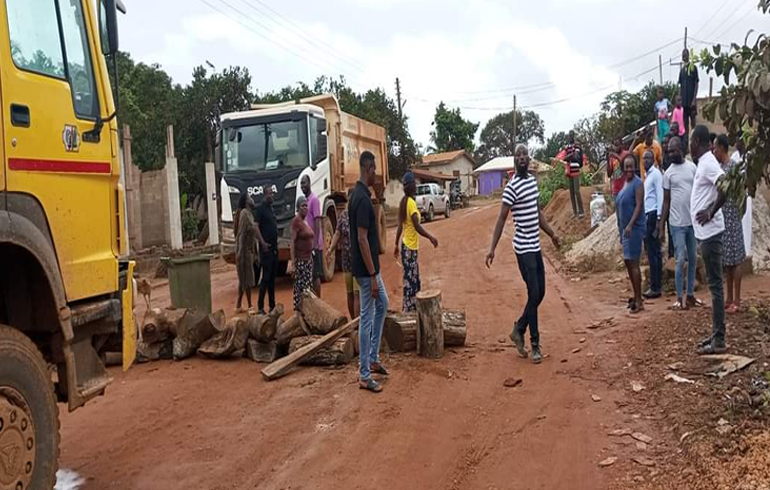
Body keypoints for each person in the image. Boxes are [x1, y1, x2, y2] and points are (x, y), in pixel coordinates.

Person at [486, 144, 561, 364]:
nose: (521, 158)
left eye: (524, 154)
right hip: (523, 249)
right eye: (517, 155)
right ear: (514, 161)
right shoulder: (512, 187)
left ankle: (519, 328)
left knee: (541, 293)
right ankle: (535, 344)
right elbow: (501, 218)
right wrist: (492, 248)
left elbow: (538, 214)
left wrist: (553, 235)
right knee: (533, 292)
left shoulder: (532, 182)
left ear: (528, 159)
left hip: (536, 247)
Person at [350, 151, 389, 393]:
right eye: (375, 169)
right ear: (368, 169)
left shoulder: (360, 195)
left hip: (369, 269)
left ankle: (373, 358)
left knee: (383, 303)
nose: (377, 175)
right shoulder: (362, 199)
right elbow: (362, 239)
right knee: (366, 316)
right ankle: (364, 374)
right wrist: (373, 276)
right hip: (367, 272)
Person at [690, 125, 727, 355]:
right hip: (706, 234)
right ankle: (716, 334)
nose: (690, 146)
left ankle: (720, 340)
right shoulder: (703, 162)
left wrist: (711, 212)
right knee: (714, 286)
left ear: (697, 142)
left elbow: (725, 186)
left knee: (715, 287)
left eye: (691, 141)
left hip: (711, 233)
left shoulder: (709, 162)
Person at [659, 136, 699, 310]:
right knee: (680, 259)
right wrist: (661, 225)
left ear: (681, 149)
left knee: (693, 259)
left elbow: (698, 193)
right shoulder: (668, 174)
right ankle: (679, 298)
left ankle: (690, 295)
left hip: (692, 223)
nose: (670, 154)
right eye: (668, 151)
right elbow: (666, 201)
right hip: (677, 224)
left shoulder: (692, 168)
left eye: (673, 150)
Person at [393, 172, 439, 312]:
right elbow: (417, 226)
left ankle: (409, 309)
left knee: (410, 280)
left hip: (406, 246)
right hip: (410, 248)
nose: (416, 186)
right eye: (415, 184)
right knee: (412, 282)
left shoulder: (404, 202)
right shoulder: (411, 203)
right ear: (412, 186)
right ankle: (411, 312)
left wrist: (396, 244)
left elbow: (400, 226)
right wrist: (431, 237)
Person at [714, 134, 746, 314]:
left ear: (723, 148)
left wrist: (739, 213)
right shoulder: (719, 168)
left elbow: (740, 193)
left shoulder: (733, 168)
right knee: (727, 261)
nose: (714, 151)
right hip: (722, 217)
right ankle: (729, 297)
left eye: (715, 147)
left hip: (733, 216)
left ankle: (737, 300)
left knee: (736, 259)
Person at [616, 154, 646, 314]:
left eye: (631, 166)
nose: (628, 169)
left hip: (634, 229)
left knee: (634, 263)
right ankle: (635, 296)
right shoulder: (624, 184)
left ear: (635, 167)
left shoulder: (637, 184)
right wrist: (620, 228)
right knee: (628, 262)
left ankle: (640, 300)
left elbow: (639, 206)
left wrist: (630, 225)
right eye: (626, 166)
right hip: (625, 230)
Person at [329, 189, 359, 320]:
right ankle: (356, 321)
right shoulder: (352, 216)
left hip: (352, 260)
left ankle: (355, 321)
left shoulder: (348, 216)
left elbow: (337, 234)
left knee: (353, 293)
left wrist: (331, 249)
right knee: (353, 293)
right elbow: (337, 234)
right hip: (352, 261)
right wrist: (330, 249)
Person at [642, 150, 664, 299]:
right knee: (652, 251)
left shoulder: (656, 175)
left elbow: (660, 196)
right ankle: (655, 285)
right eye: (644, 158)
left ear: (654, 159)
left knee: (653, 252)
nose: (645, 161)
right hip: (647, 215)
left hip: (652, 214)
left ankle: (656, 287)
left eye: (648, 158)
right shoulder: (648, 176)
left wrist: (658, 219)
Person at [254, 186, 278, 314]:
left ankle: (272, 305)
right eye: (270, 194)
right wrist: (262, 243)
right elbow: (256, 226)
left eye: (273, 194)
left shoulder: (271, 209)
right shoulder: (260, 209)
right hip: (266, 249)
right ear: (265, 194)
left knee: (272, 279)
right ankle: (260, 306)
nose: (272, 196)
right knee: (266, 278)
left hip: (274, 248)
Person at [289, 195, 315, 312]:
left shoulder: (305, 221)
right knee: (300, 290)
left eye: (306, 205)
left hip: (308, 260)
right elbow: (292, 242)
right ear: (298, 208)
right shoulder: (296, 221)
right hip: (301, 262)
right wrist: (293, 263)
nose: (305, 208)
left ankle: (307, 313)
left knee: (307, 289)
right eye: (302, 206)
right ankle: (299, 314)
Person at [301, 175, 323, 297]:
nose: (302, 186)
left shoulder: (314, 200)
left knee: (316, 274)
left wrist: (315, 243)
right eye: (301, 184)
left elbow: (317, 221)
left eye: (304, 183)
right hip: (308, 245)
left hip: (315, 245)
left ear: (309, 183)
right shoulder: (306, 201)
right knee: (309, 274)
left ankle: (318, 301)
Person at [235, 194, 257, 313]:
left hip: (248, 250)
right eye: (250, 198)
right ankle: (250, 305)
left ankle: (238, 304)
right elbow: (242, 234)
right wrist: (239, 252)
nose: (252, 199)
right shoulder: (244, 213)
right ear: (246, 202)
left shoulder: (250, 214)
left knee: (243, 278)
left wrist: (255, 251)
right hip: (243, 250)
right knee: (247, 278)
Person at [732, 135, 752, 259]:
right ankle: (740, 251)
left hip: (746, 194)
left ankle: (747, 251)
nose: (736, 143)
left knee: (746, 221)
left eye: (738, 140)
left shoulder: (750, 156)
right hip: (736, 194)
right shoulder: (734, 157)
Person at [678, 49, 700, 148]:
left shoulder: (693, 68)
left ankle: (696, 143)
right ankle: (686, 146)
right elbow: (680, 86)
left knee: (693, 124)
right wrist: (679, 101)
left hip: (691, 102)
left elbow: (696, 83)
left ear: (689, 56)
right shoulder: (681, 71)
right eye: (683, 55)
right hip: (684, 103)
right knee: (685, 125)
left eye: (686, 55)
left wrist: (694, 100)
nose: (684, 57)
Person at [562, 131, 585, 218]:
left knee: (576, 191)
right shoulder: (568, 147)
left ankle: (581, 211)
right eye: (569, 136)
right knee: (571, 192)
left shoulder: (577, 145)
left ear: (573, 136)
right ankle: (575, 212)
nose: (570, 137)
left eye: (571, 136)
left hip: (575, 169)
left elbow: (576, 156)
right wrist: (571, 155)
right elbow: (565, 158)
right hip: (569, 171)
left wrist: (570, 156)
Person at [606, 138, 628, 202]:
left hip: (625, 189)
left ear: (622, 145)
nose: (616, 147)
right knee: (617, 211)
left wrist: (617, 157)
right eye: (614, 145)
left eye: (617, 145)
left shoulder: (626, 154)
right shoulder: (612, 157)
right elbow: (609, 174)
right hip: (616, 190)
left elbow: (625, 167)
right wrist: (607, 160)